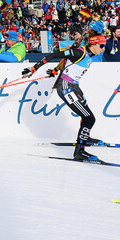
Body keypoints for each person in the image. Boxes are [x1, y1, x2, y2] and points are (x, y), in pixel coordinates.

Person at [22, 27, 107, 160]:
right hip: (66, 87)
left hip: (74, 86)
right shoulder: (79, 53)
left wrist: (56, 70)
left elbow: (67, 63)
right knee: (90, 118)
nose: (103, 49)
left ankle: (85, 137)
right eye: (101, 46)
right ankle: (79, 151)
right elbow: (54, 55)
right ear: (93, 44)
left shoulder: (89, 54)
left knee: (85, 112)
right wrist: (34, 68)